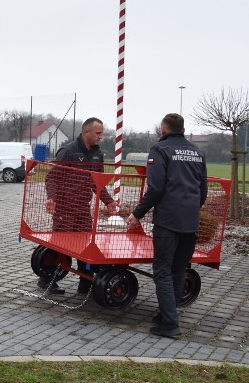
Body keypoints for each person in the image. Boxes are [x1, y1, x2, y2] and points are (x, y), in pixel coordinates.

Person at [126, 113, 207, 339]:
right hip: (190, 221)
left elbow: (156, 187)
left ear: (163, 129)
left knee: (161, 270)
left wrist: (137, 213)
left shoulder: (159, 150)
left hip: (168, 221)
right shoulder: (197, 152)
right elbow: (203, 192)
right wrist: (189, 209)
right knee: (178, 270)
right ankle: (165, 314)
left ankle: (170, 323)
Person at [44, 117, 119, 294]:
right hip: (64, 208)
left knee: (86, 246)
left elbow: (97, 183)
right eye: (98, 133)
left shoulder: (97, 154)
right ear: (86, 132)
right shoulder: (68, 151)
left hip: (83, 208)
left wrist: (108, 202)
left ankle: (85, 283)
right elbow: (52, 177)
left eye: (101, 133)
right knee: (61, 245)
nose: (101, 137)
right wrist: (52, 198)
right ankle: (48, 279)